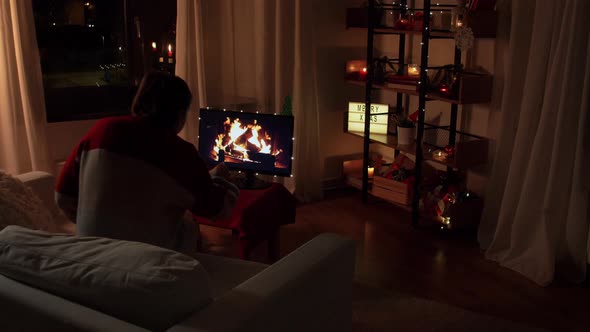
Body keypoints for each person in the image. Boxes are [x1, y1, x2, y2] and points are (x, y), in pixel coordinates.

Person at [55, 71, 239, 253]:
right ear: (180, 113)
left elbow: (62, 197)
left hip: (90, 250)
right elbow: (218, 211)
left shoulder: (101, 131)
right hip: (146, 258)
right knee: (188, 223)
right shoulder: (179, 152)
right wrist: (225, 182)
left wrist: (99, 227)